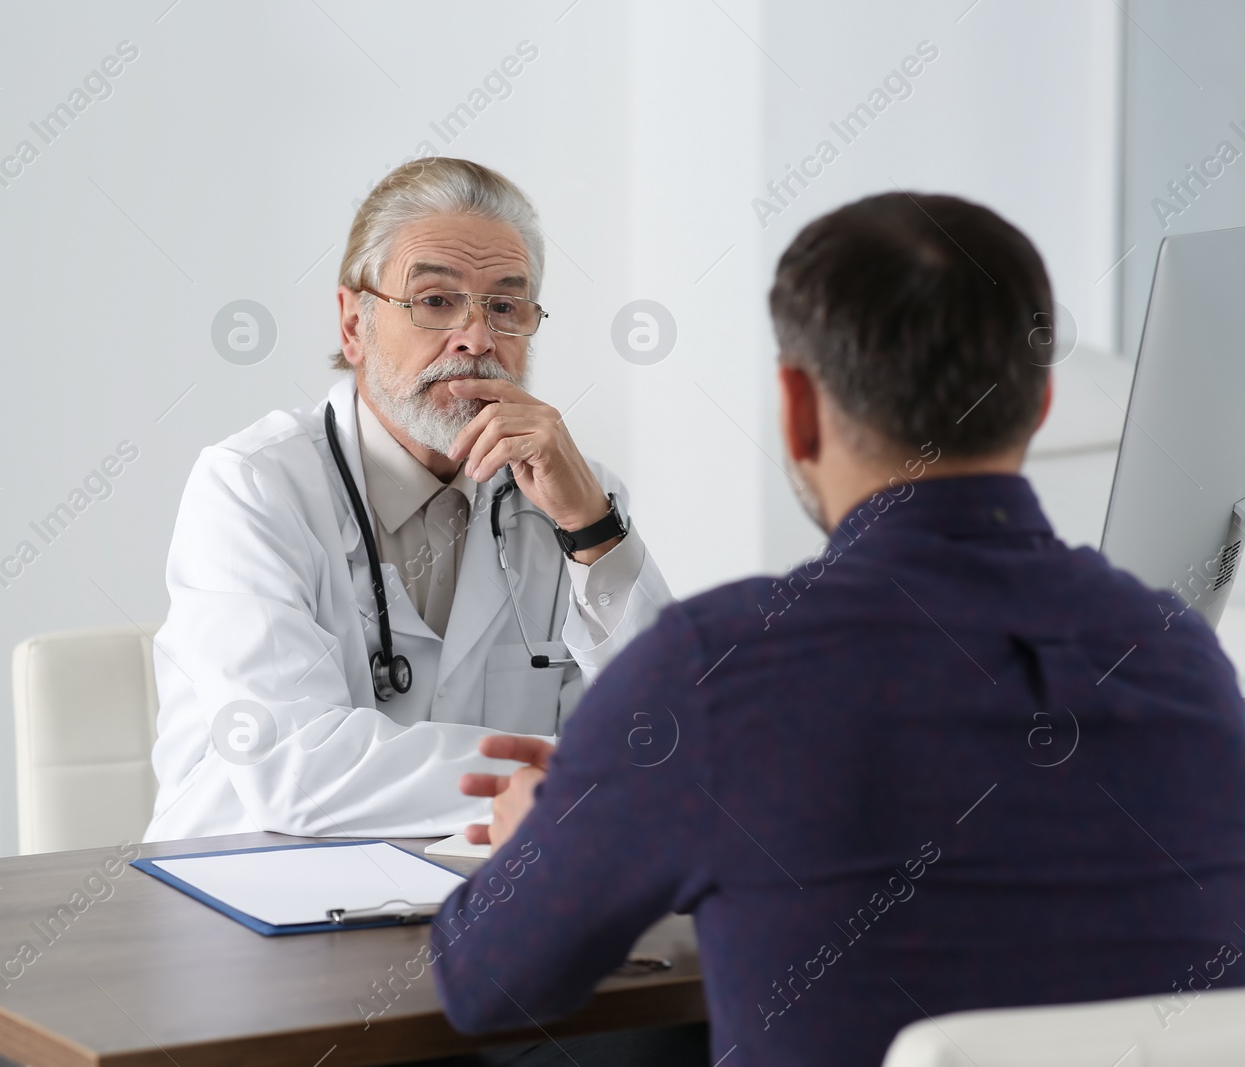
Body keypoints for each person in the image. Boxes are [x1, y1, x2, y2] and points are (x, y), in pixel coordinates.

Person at [427, 192, 1245, 1065]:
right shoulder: (1180, 655)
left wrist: (541, 838)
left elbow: (487, 986)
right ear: (1040, 402)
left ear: (798, 407)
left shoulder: (717, 669)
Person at [145, 158, 673, 842]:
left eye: (506, 307)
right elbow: (293, 770)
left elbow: (668, 735)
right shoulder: (253, 488)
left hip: (479, 902)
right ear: (353, 325)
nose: (477, 338)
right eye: (435, 300)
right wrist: (570, 782)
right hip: (250, 903)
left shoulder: (571, 495)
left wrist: (592, 529)